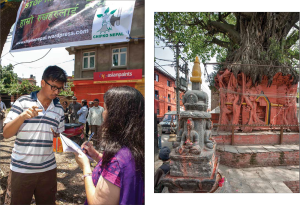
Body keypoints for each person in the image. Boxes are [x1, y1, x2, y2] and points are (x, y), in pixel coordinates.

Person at [3, 66, 67, 205]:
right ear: (43, 83)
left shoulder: (59, 109)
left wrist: (60, 141)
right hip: (21, 169)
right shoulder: (22, 102)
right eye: (53, 87)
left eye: (59, 89)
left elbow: (58, 142)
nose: (56, 92)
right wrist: (22, 117)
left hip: (48, 170)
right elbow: (6, 133)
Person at [74, 86, 145, 205]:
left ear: (117, 115)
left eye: (106, 109)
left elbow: (97, 202)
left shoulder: (117, 159)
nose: (103, 113)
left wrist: (85, 167)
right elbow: (121, 171)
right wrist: (96, 155)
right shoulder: (135, 146)